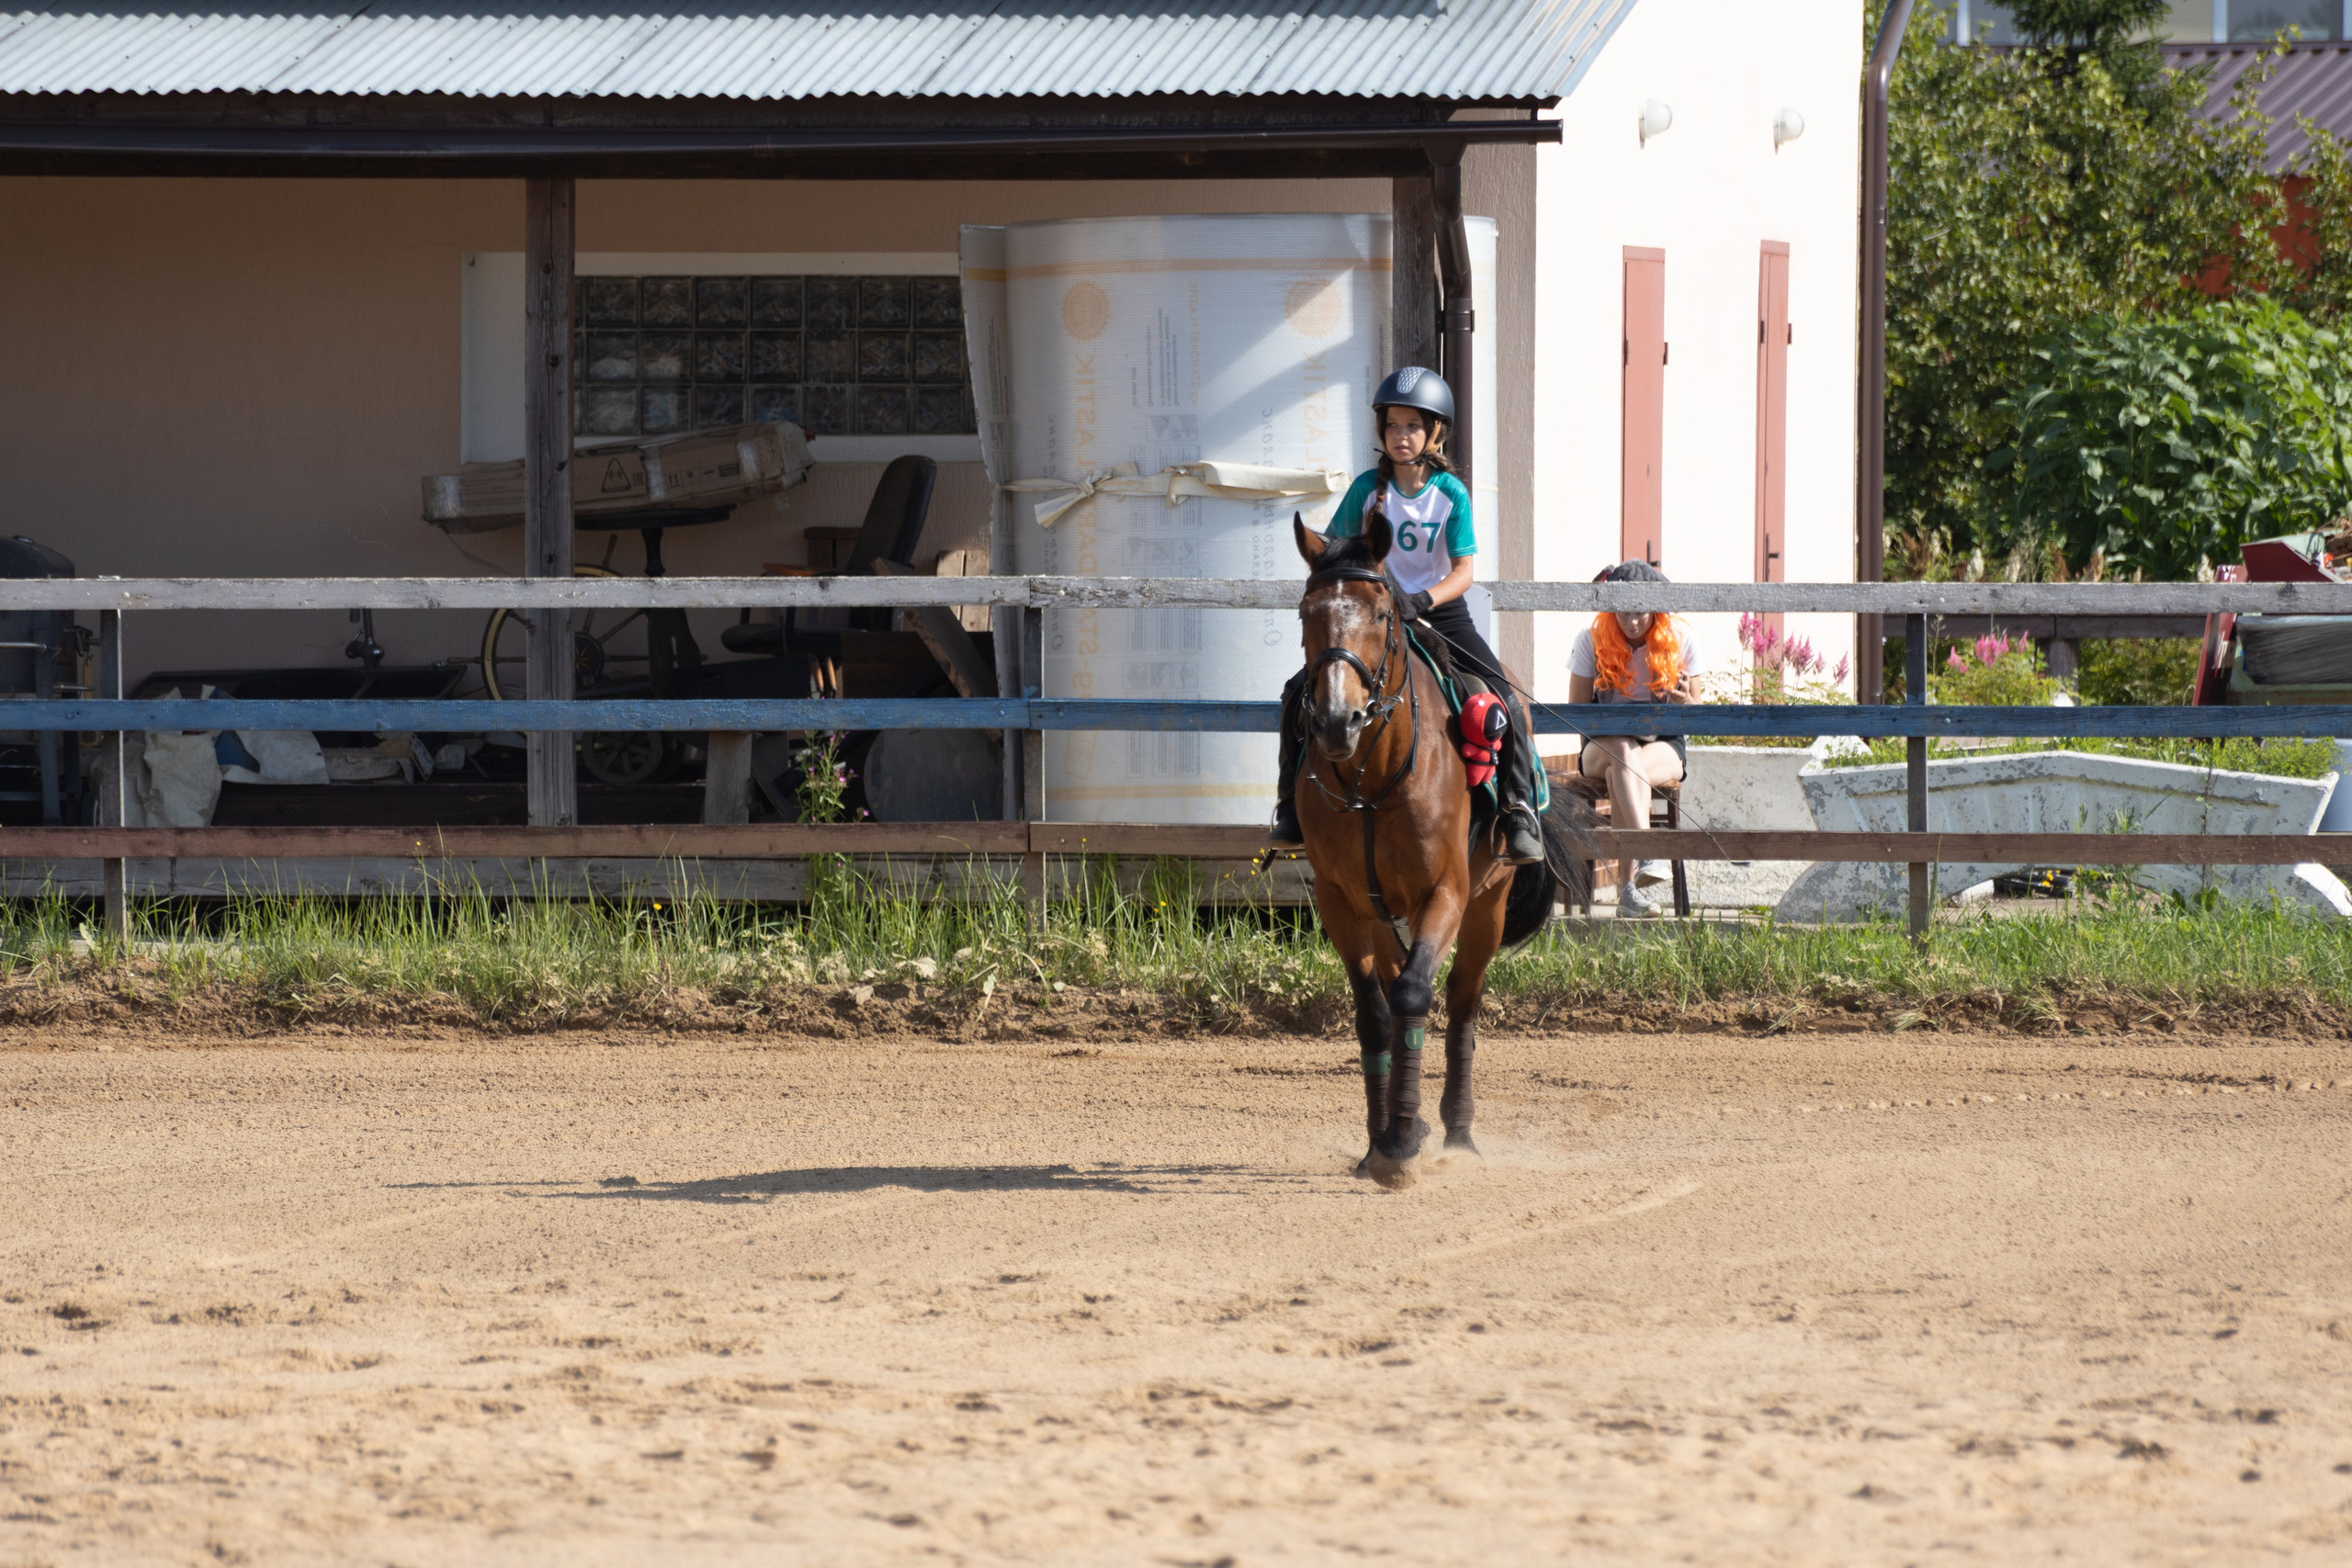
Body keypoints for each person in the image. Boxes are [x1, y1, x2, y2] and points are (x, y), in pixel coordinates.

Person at [1268, 367, 1546, 865]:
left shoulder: (1450, 494)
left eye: (1413, 427)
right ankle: (1289, 804)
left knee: (1501, 694)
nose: (1402, 436)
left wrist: (1424, 600)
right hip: (1375, 615)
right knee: (1296, 692)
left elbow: (1464, 571)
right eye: (1393, 426)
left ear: (1434, 432)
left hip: (1441, 612)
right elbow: (1337, 551)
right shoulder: (1364, 491)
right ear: (1382, 431)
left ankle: (1518, 808)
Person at [1570, 560, 1697, 918]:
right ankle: (1648, 854)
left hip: (1663, 744)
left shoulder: (1680, 640)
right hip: (1601, 746)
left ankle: (1628, 892)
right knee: (1622, 750)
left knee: (1622, 771)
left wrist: (1684, 699)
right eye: (1623, 612)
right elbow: (1575, 711)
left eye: (1641, 612)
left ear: (1656, 610)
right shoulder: (1591, 640)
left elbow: (1698, 708)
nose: (1632, 621)